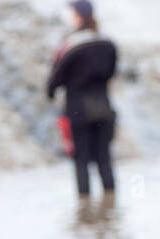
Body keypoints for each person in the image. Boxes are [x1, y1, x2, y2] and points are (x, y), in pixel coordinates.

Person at [46, 1, 118, 199]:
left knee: (81, 161)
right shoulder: (107, 42)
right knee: (105, 159)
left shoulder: (70, 45)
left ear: (77, 16)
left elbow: (54, 80)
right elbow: (111, 72)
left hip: (78, 110)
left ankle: (85, 212)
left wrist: (51, 94)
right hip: (104, 107)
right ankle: (110, 208)